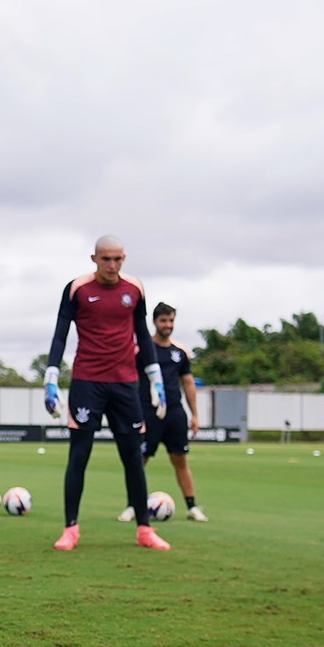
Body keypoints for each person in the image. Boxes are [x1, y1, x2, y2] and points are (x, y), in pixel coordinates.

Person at [44, 236, 170, 551]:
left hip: (126, 384)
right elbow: (60, 334)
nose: (112, 266)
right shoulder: (77, 289)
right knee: (79, 457)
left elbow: (142, 333)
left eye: (118, 259)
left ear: (124, 258)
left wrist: (155, 379)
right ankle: (70, 529)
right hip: (87, 382)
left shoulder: (135, 289)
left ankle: (144, 529)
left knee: (132, 458)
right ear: (94, 259)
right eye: (106, 260)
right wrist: (51, 376)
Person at [118, 302, 210, 523]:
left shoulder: (180, 352)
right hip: (147, 413)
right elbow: (128, 378)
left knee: (180, 460)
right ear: (155, 322)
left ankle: (192, 506)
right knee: (140, 460)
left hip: (175, 414)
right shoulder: (141, 349)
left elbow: (188, 383)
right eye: (163, 321)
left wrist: (195, 414)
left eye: (171, 321)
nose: (167, 325)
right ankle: (132, 506)